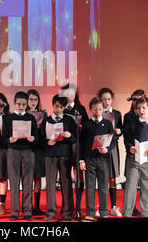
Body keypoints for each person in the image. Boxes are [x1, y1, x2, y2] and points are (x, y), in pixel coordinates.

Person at [122, 97, 148, 217]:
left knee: (147, 187)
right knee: (130, 188)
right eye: (139, 108)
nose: (141, 110)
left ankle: (146, 213)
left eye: (144, 108)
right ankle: (127, 214)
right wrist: (130, 147)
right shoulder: (133, 123)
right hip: (134, 159)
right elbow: (127, 139)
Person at [2, 91, 38, 221]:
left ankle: (28, 211)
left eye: (24, 104)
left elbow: (37, 137)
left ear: (27, 104)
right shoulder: (7, 118)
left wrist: (33, 138)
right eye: (19, 104)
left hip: (28, 151)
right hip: (13, 151)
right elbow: (3, 138)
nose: (21, 106)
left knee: (28, 183)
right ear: (14, 104)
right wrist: (9, 140)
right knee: (14, 182)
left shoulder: (31, 118)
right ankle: (14, 212)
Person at [79, 97, 116, 221]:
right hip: (90, 159)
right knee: (89, 186)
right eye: (95, 109)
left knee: (103, 186)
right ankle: (90, 212)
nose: (98, 111)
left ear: (103, 109)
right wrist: (81, 160)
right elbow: (82, 143)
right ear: (91, 110)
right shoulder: (86, 125)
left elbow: (113, 140)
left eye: (100, 109)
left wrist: (107, 148)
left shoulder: (108, 123)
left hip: (103, 159)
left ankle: (104, 211)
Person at [41, 95, 76, 221]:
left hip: (65, 155)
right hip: (50, 155)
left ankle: (67, 212)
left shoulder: (69, 120)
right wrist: (47, 142)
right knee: (50, 184)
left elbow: (74, 139)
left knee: (66, 183)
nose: (58, 110)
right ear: (52, 105)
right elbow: (41, 139)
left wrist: (69, 135)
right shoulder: (46, 120)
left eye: (61, 107)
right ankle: (50, 212)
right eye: (56, 107)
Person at [60, 83, 88, 219]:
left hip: (77, 144)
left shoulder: (80, 109)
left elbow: (88, 127)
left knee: (78, 176)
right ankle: (66, 205)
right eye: (67, 93)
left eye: (72, 93)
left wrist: (82, 126)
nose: (70, 96)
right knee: (65, 177)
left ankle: (77, 206)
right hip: (64, 146)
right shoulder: (60, 108)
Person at [97, 88, 123, 217]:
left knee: (112, 178)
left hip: (112, 148)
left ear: (111, 99)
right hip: (101, 147)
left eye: (108, 99)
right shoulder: (98, 113)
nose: (106, 102)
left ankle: (113, 206)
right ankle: (102, 207)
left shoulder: (117, 114)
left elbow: (121, 130)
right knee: (101, 177)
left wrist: (119, 131)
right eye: (104, 99)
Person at [123, 89, 146, 216]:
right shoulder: (128, 117)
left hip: (145, 153)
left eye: (138, 99)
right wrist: (130, 148)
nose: (135, 102)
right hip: (132, 152)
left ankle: (145, 209)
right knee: (131, 183)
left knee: (144, 182)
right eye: (134, 99)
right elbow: (126, 137)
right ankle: (131, 208)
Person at [27, 89, 46, 215]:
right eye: (31, 99)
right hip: (26, 148)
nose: (33, 102)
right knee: (27, 178)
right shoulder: (23, 114)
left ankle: (37, 206)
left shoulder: (43, 114)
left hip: (39, 148)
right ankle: (27, 206)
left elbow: (46, 133)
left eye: (35, 99)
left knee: (37, 178)